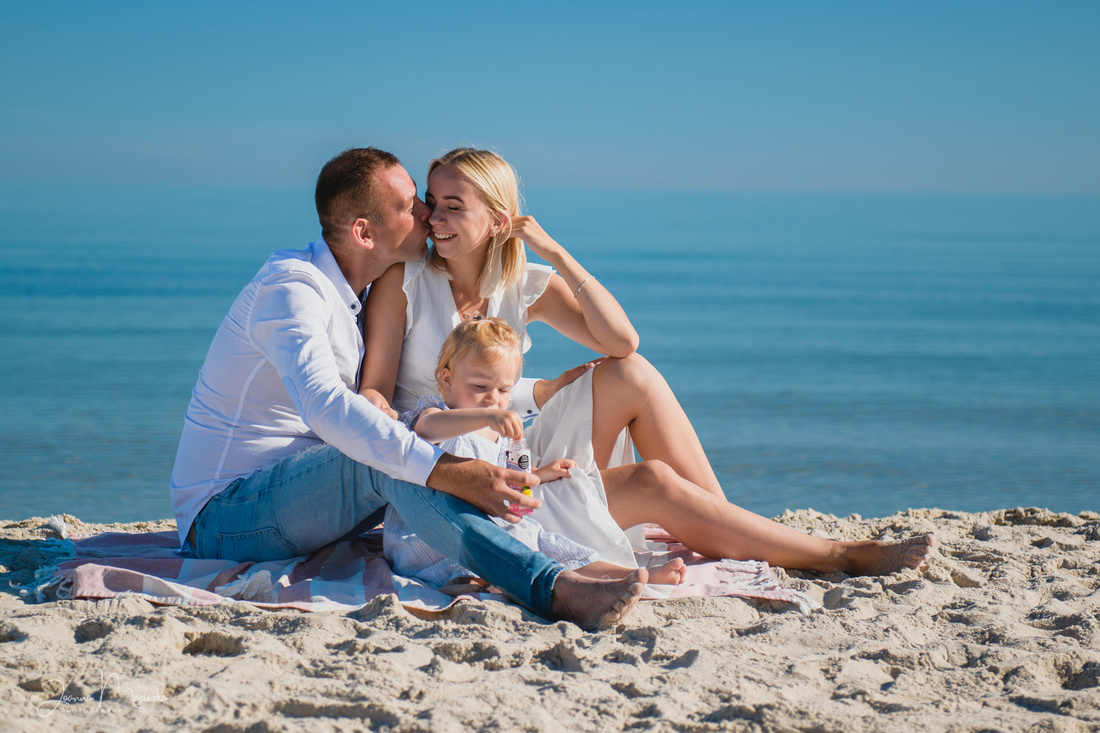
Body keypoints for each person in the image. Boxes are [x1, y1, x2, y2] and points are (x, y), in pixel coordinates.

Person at [359, 147, 935, 576]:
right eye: (433, 203)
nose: (432, 219)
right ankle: (832, 554)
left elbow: (621, 342)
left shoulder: (524, 282)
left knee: (630, 374)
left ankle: (724, 519)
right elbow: (377, 392)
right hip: (446, 464)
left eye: (453, 207)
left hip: (517, 450)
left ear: (499, 220)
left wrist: (557, 253)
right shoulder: (402, 284)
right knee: (654, 480)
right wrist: (407, 448)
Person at [169, 147, 647, 631]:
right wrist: (445, 471)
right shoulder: (293, 291)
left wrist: (521, 402)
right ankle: (550, 587)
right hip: (225, 519)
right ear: (364, 232)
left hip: (306, 503)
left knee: (401, 447)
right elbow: (326, 407)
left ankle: (536, 567)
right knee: (391, 453)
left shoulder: (354, 298)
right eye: (411, 204)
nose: (427, 213)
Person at [383, 317, 688, 591]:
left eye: (504, 390)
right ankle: (468, 584)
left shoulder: (500, 434)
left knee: (544, 541)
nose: (493, 399)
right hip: (431, 531)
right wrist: (484, 417)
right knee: (483, 548)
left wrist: (542, 474)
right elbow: (425, 430)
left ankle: (622, 575)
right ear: (447, 380)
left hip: (490, 523)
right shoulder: (438, 414)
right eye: (480, 386)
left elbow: (516, 482)